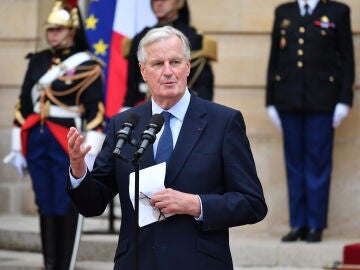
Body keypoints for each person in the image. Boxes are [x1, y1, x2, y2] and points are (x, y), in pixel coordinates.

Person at [67, 26, 267, 270]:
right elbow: (92, 204)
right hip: (137, 262)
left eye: (175, 62)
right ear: (143, 71)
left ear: (188, 66)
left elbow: (252, 203)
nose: (168, 72)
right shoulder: (124, 123)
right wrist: (79, 171)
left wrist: (196, 204)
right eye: (158, 64)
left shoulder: (223, 122)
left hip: (199, 262)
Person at [3, 1, 105, 268]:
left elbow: (96, 112)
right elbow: (23, 105)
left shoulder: (88, 65)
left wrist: (89, 153)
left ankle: (64, 264)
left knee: (65, 203)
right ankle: (49, 264)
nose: (53, 35)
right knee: (44, 202)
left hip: (65, 139)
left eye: (59, 30)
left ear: (72, 30)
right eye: (50, 30)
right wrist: (17, 146)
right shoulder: (37, 61)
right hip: (37, 138)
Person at [266, 0, 355, 242]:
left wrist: (344, 100)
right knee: (293, 164)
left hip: (323, 101)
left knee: (317, 163)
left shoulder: (337, 11)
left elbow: (347, 58)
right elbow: (275, 56)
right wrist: (270, 100)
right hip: (288, 98)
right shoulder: (284, 11)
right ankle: (298, 224)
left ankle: (315, 224)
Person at [122, 0, 215, 110]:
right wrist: (127, 109)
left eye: (164, 0)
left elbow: (203, 86)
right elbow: (132, 84)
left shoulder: (193, 38)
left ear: (179, 3)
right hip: (146, 108)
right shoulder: (141, 37)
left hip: (186, 109)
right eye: (155, 0)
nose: (159, 4)